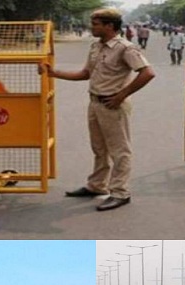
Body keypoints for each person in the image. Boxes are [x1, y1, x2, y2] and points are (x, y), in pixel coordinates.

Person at [43, 8, 155, 211]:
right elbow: (86, 73)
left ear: (109, 26)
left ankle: (120, 192)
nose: (91, 27)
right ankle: (97, 185)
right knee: (99, 148)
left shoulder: (125, 48)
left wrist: (122, 95)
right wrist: (54, 73)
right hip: (95, 102)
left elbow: (147, 73)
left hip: (113, 104)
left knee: (119, 151)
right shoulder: (96, 46)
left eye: (95, 24)